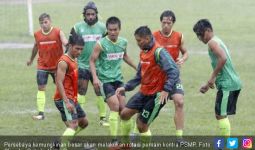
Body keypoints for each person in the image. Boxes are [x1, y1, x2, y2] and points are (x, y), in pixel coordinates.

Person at [116, 26, 182, 146]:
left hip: (156, 96)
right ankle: (126, 146)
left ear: (147, 38)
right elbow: (139, 77)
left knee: (142, 126)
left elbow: (174, 71)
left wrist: (166, 90)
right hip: (144, 92)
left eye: (139, 40)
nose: (137, 43)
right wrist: (126, 87)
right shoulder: (143, 52)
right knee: (124, 114)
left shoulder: (159, 52)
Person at [90, 16, 137, 143]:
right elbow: (92, 61)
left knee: (124, 110)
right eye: (110, 30)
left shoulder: (123, 42)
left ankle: (126, 139)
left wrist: (137, 68)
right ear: (107, 29)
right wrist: (95, 78)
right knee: (115, 106)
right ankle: (114, 140)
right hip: (105, 81)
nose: (112, 32)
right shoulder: (100, 44)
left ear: (119, 29)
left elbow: (125, 56)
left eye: (115, 29)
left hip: (118, 80)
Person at [193, 19, 242, 136]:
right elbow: (220, 62)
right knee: (220, 114)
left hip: (227, 84)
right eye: (197, 36)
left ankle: (227, 145)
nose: (200, 38)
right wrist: (208, 83)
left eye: (201, 34)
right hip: (231, 82)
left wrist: (212, 77)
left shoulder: (212, 43)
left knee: (220, 115)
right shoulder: (217, 40)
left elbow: (223, 58)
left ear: (208, 30)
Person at [71, 1, 108, 126]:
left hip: (98, 66)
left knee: (100, 91)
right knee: (81, 90)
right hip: (82, 65)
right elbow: (70, 46)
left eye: (92, 14)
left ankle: (103, 118)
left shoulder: (103, 28)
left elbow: (107, 45)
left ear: (96, 14)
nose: (90, 17)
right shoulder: (77, 27)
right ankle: (78, 116)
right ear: (84, 15)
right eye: (88, 14)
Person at [153, 10, 187, 138]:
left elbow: (185, 52)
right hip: (157, 77)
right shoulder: (153, 36)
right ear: (161, 22)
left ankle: (179, 137)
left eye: (169, 23)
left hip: (173, 77)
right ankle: (136, 129)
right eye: (164, 22)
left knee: (179, 101)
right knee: (149, 105)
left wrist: (182, 59)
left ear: (173, 23)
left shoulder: (179, 36)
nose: (166, 25)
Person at [27, 13, 68, 120]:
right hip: (42, 66)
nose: (44, 25)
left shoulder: (58, 32)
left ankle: (67, 108)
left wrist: (69, 44)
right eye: (41, 23)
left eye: (46, 22)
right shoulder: (37, 34)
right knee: (41, 88)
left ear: (50, 21)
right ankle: (41, 113)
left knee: (61, 87)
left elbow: (65, 43)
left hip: (57, 66)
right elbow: (36, 46)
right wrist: (31, 59)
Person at [54, 33, 88, 148]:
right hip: (64, 99)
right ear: (70, 46)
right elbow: (58, 82)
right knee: (73, 125)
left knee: (84, 122)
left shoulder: (74, 58)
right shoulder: (63, 61)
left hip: (72, 98)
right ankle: (63, 145)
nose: (79, 52)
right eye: (77, 49)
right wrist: (67, 102)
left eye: (81, 49)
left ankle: (61, 142)